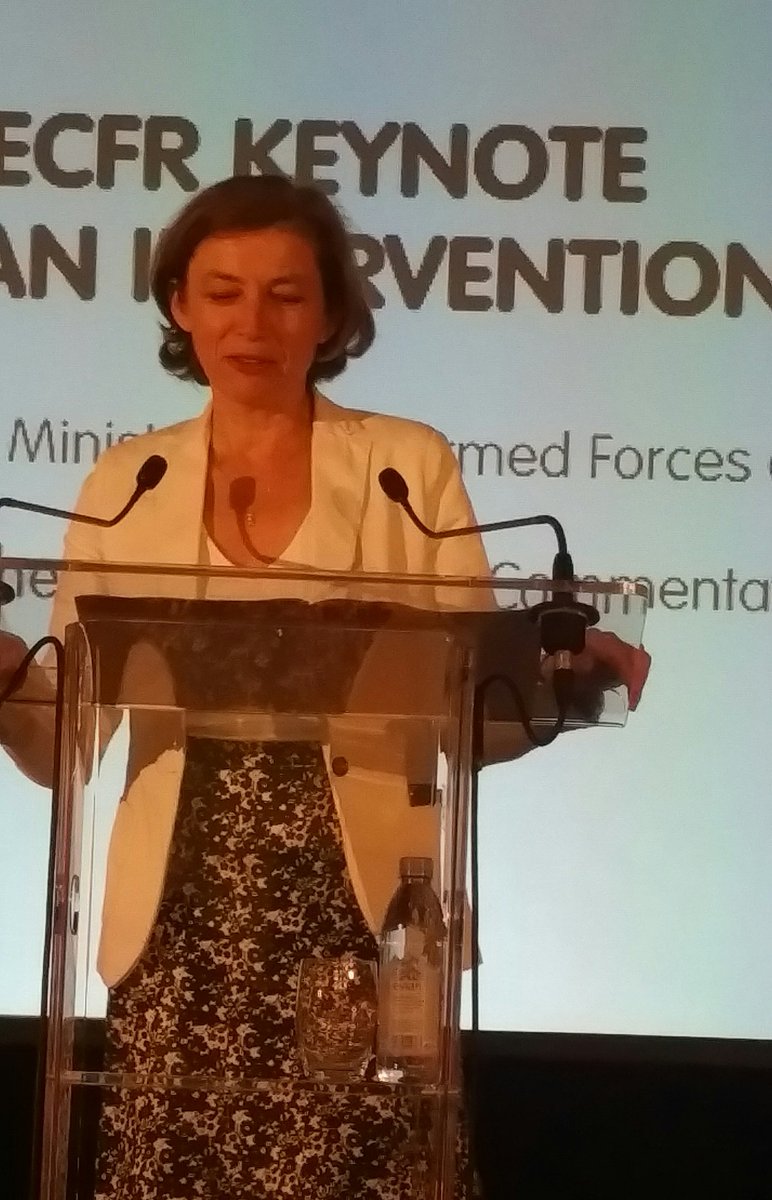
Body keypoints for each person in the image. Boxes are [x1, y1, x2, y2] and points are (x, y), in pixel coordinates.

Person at [0, 174, 649, 1199]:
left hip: (363, 901)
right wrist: (7, 680)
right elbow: (64, 744)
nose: (251, 323)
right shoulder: (127, 482)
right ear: (179, 304)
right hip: (180, 909)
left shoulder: (404, 466)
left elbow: (470, 713)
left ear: (331, 314)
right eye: (222, 292)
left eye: (285, 294)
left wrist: (553, 678)